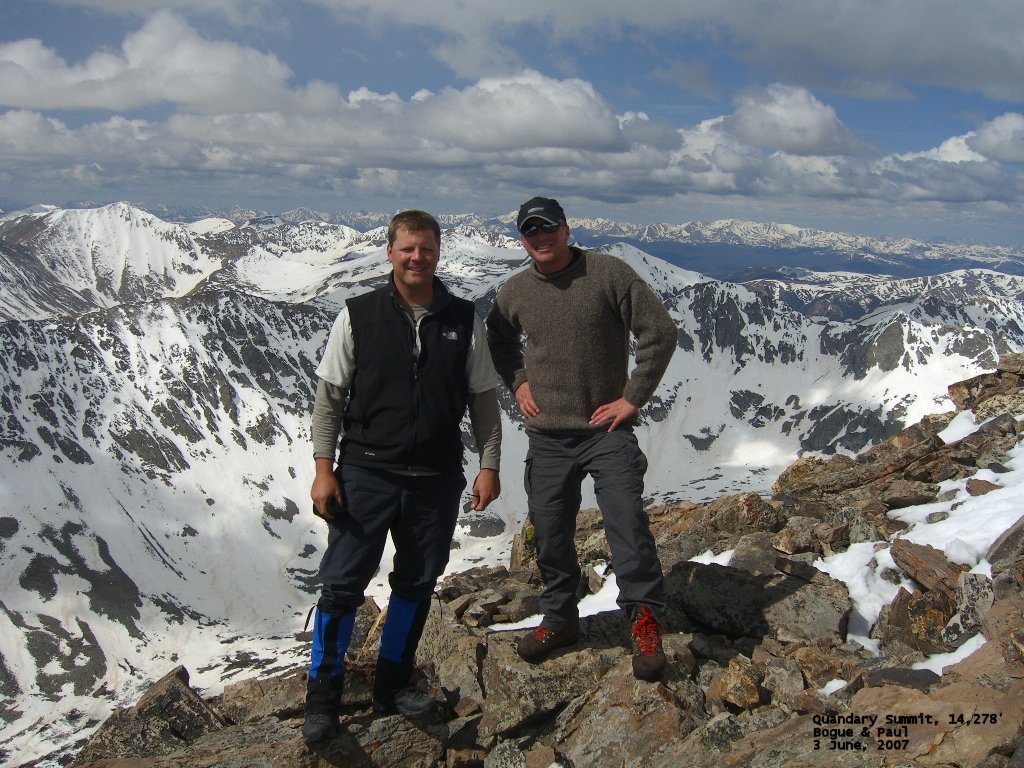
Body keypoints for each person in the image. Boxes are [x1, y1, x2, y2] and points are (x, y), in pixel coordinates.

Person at [303, 210, 502, 744]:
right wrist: (325, 471)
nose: (418, 258)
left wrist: (489, 464)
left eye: (427, 249)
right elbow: (329, 402)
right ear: (389, 252)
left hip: (436, 477)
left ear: (439, 253)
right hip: (366, 472)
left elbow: (483, 400)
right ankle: (322, 700)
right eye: (408, 248)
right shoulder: (359, 315)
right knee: (342, 585)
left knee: (415, 583)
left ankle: (390, 686)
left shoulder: (464, 319)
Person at [486, 196, 676, 681]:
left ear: (566, 230)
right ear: (522, 239)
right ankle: (561, 619)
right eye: (531, 231)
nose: (541, 237)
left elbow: (659, 330)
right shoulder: (515, 291)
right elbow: (498, 339)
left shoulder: (609, 274)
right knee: (548, 532)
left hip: (605, 429)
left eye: (548, 228)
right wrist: (519, 381)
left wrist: (633, 397)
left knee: (626, 522)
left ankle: (644, 620)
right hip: (549, 436)